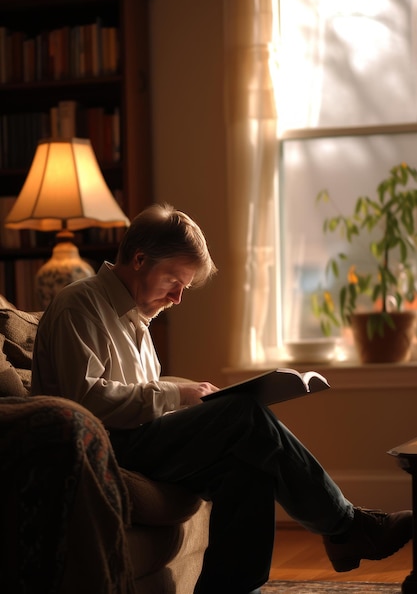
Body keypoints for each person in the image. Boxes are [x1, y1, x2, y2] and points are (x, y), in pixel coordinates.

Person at [31, 202, 412, 594]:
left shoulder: (135, 319)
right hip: (97, 447)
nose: (178, 298)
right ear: (140, 260)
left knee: (248, 468)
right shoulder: (79, 306)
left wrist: (186, 403)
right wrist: (179, 394)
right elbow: (87, 401)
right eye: (173, 281)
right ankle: (347, 527)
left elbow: (137, 397)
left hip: (136, 439)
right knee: (242, 413)